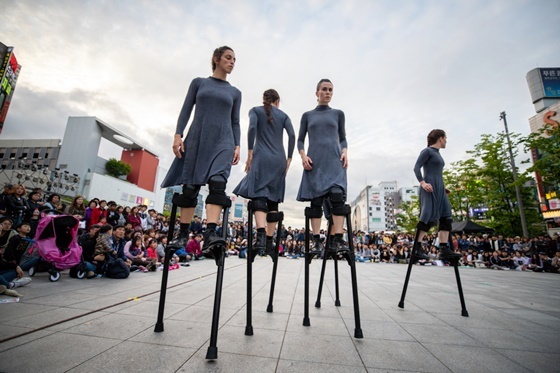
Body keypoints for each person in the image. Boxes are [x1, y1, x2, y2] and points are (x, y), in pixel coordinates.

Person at [161, 46, 241, 253]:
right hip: (197, 138)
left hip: (224, 140)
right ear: (216, 59)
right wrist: (178, 135)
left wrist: (237, 145)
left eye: (234, 59)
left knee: (218, 183)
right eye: (228, 57)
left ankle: (211, 233)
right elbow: (186, 109)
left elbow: (235, 122)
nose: (232, 62)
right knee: (190, 189)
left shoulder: (235, 92)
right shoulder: (199, 83)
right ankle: (183, 235)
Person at [233, 89, 295, 253]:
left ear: (264, 99)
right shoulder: (284, 116)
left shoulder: (255, 111)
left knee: (259, 193)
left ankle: (260, 235)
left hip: (261, 157)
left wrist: (250, 153)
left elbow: (252, 128)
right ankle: (269, 241)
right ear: (278, 101)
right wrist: (289, 158)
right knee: (273, 199)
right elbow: (292, 135)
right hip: (279, 160)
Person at [296, 79, 348, 253]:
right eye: (324, 89)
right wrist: (303, 156)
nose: (328, 93)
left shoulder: (338, 114)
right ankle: (317, 240)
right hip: (315, 162)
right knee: (316, 201)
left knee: (337, 195)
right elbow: (300, 139)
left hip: (334, 161)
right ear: (317, 92)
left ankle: (338, 239)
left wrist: (345, 151)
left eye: (331, 90)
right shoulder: (307, 115)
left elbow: (343, 137)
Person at [410, 129, 461, 261]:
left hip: (439, 188)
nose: (446, 141)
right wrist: (422, 183)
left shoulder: (438, 154)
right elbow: (416, 168)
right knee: (427, 216)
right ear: (440, 138)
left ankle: (444, 249)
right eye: (445, 138)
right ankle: (417, 247)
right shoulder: (427, 151)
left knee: (446, 216)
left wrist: (443, 188)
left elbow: (437, 173)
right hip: (429, 188)